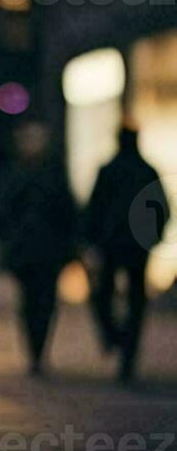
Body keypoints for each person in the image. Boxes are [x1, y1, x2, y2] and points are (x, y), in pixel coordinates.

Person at [0, 124, 78, 377]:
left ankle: (39, 350)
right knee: (30, 302)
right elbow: (0, 211)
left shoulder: (51, 175)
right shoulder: (15, 175)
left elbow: (67, 212)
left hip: (48, 251)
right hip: (25, 251)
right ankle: (35, 351)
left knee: (45, 301)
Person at [85, 127, 169, 384]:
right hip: (134, 246)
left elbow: (94, 209)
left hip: (113, 244)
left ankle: (116, 338)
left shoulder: (110, 171)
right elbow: (162, 208)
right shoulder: (146, 171)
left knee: (104, 294)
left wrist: (91, 239)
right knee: (134, 299)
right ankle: (126, 348)